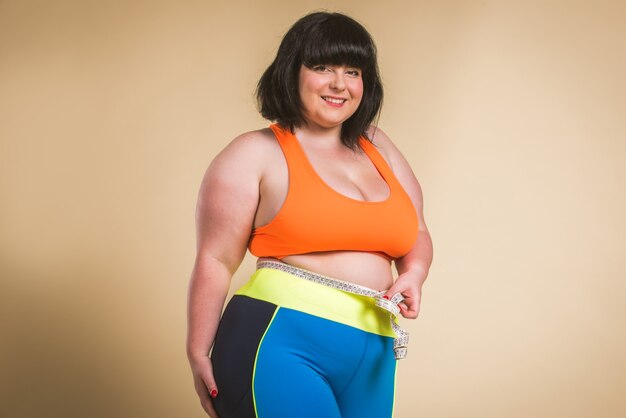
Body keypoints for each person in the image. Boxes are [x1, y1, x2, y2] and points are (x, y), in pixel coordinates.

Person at [186, 11, 433, 418]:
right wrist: (197, 348)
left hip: (373, 351)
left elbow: (417, 231)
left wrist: (414, 274)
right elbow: (215, 259)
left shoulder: (377, 144)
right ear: (292, 72)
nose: (339, 84)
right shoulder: (254, 153)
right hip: (279, 340)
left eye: (352, 71)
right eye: (322, 67)